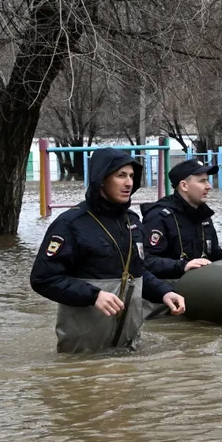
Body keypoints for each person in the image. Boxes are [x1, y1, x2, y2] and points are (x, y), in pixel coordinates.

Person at [30, 148, 186, 354]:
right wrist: (93, 296)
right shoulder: (70, 224)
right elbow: (44, 279)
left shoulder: (132, 221)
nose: (129, 183)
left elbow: (137, 273)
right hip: (82, 355)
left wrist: (164, 292)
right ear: (101, 179)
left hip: (128, 348)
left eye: (131, 176)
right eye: (121, 175)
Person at [141, 158, 222, 279]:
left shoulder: (203, 215)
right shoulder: (159, 217)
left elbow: (211, 254)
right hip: (169, 290)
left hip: (200, 285)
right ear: (184, 186)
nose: (209, 186)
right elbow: (145, 261)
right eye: (202, 181)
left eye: (207, 181)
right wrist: (182, 266)